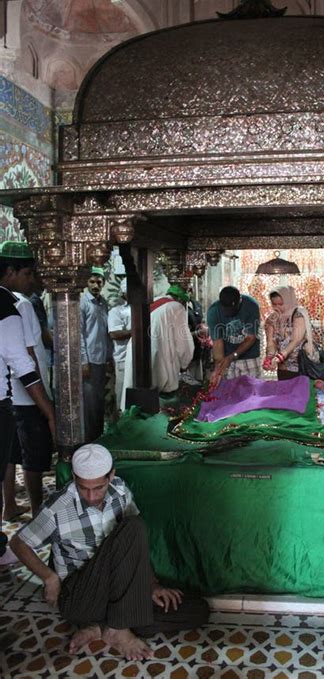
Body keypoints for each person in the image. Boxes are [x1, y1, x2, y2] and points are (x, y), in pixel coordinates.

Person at [10, 443, 209, 660]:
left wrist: (152, 584)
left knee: (196, 609)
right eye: (84, 487)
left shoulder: (120, 490)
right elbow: (18, 543)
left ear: (111, 475)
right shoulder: (57, 507)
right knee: (134, 526)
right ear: (75, 478)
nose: (92, 496)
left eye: (98, 488)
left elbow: (134, 548)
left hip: (115, 592)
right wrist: (49, 578)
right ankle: (119, 628)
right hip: (81, 597)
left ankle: (103, 627)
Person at [0, 240, 55, 564]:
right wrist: (47, 407)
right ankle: (38, 518)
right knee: (32, 457)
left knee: (8, 457)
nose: (32, 280)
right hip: (15, 399)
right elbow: (25, 360)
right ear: (10, 271)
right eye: (28, 273)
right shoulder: (12, 305)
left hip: (10, 399)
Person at [121, 283, 194, 405]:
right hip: (158, 358)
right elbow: (184, 345)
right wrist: (185, 363)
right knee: (158, 403)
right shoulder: (177, 307)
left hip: (136, 355)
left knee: (137, 402)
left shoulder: (153, 301)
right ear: (181, 300)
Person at [80, 267, 113, 442]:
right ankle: (89, 440)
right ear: (86, 282)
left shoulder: (103, 303)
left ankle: (99, 438)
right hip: (89, 360)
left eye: (99, 281)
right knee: (90, 403)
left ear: (103, 283)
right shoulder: (83, 303)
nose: (95, 285)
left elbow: (105, 333)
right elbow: (79, 334)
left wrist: (109, 357)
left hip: (101, 359)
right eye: (92, 281)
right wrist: (83, 361)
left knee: (99, 401)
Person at [207, 286, 260, 384]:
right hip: (227, 358)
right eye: (226, 310)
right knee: (229, 392)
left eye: (233, 309)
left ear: (240, 300)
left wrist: (232, 356)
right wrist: (218, 369)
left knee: (252, 392)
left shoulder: (251, 305)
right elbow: (217, 343)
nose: (229, 313)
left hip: (249, 357)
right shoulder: (213, 311)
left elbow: (250, 338)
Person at [263, 285, 317, 381]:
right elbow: (271, 343)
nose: (277, 307)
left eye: (281, 304)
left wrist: (278, 358)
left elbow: (295, 341)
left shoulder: (298, 315)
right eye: (274, 304)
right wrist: (269, 358)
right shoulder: (271, 319)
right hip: (283, 368)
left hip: (302, 367)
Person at [107, 278, 131, 411]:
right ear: (123, 294)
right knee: (123, 395)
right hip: (123, 359)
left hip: (140, 361)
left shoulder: (145, 310)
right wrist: (137, 331)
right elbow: (114, 334)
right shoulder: (116, 312)